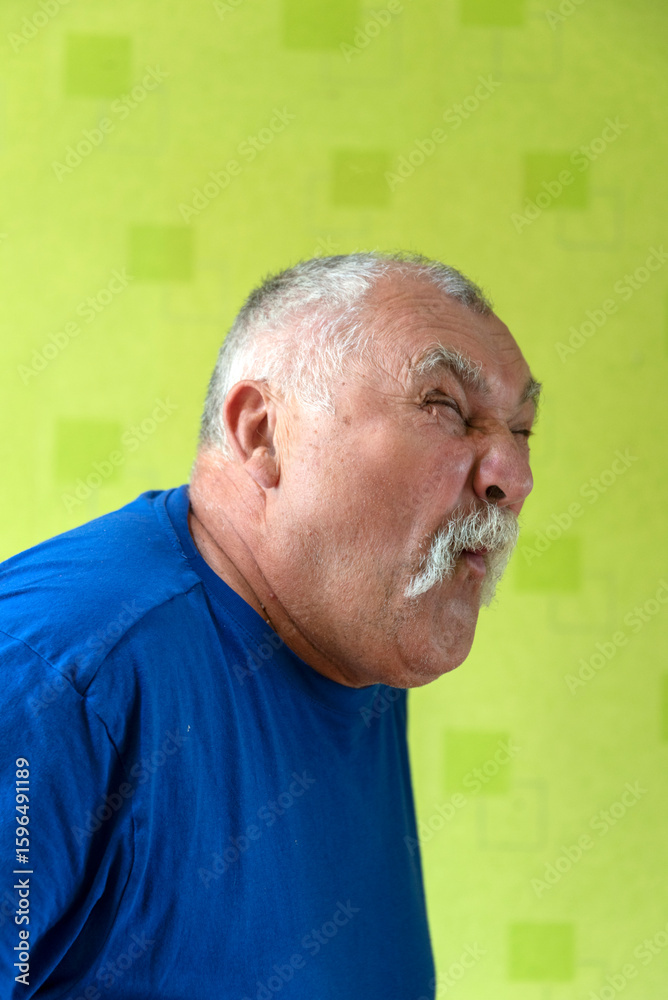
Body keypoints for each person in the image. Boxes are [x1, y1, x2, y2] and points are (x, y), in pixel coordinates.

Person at [0, 251, 541, 999]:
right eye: (445, 405)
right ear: (262, 433)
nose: (513, 476)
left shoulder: (357, 647)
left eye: (523, 431)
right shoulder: (57, 682)